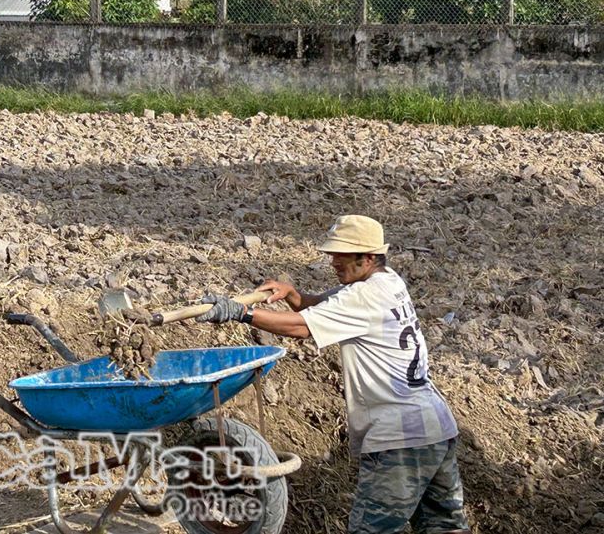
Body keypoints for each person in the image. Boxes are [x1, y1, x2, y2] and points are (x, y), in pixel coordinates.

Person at [196, 215, 469, 534]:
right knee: (444, 524)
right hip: (436, 427)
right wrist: (292, 295)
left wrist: (242, 313)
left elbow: (302, 327)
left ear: (367, 258)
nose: (333, 261)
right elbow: (322, 306)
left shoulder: (361, 296)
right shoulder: (387, 281)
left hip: (400, 438)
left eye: (342, 254)